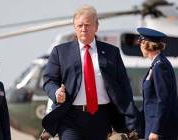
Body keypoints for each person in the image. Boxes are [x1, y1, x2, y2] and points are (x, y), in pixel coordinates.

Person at [40, 5, 139, 140]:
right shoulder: (60, 52)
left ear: (96, 27)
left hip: (101, 117)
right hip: (70, 117)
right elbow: (49, 80)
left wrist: (129, 117)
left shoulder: (111, 52)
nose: (83, 29)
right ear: (74, 27)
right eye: (80, 25)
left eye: (87, 25)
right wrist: (56, 92)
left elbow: (124, 85)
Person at [137, 27, 178, 140]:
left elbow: (163, 100)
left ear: (146, 44)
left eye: (140, 43)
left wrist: (156, 130)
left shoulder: (160, 66)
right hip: (154, 126)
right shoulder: (156, 64)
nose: (139, 46)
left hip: (160, 130)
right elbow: (150, 102)